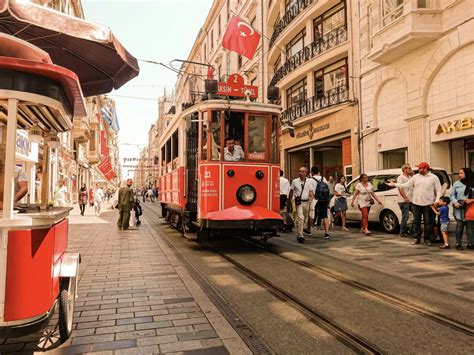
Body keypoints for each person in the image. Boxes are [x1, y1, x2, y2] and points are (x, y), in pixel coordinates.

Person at [387, 162, 442, 246]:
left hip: (428, 203)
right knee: (416, 221)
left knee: (428, 222)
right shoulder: (415, 177)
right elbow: (406, 184)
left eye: (420, 168)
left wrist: (437, 200)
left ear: (425, 168)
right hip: (416, 203)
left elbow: (439, 190)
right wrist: (394, 184)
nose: (418, 170)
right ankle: (417, 238)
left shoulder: (434, 178)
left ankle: (427, 239)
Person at [287, 166, 315, 243]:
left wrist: (312, 198)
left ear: (306, 173)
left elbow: (311, 191)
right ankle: (300, 235)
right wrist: (289, 202)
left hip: (307, 202)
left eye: (302, 172)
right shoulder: (295, 181)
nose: (300, 173)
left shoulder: (309, 181)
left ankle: (299, 230)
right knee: (301, 218)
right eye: (299, 171)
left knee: (305, 219)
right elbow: (291, 191)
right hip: (298, 202)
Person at [451, 168, 473, 250]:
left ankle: (471, 243)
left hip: (470, 208)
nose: (459, 175)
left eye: (462, 173)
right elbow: (452, 195)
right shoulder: (456, 183)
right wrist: (455, 202)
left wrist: (471, 200)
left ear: (467, 174)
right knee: (459, 226)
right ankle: (458, 243)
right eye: (459, 173)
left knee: (470, 227)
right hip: (459, 208)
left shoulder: (472, 183)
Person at [309, 166, 331, 239]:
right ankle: (327, 233)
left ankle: (309, 229)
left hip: (315, 199)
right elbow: (327, 189)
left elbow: (310, 191)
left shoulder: (310, 180)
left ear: (311, 172)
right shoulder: (323, 178)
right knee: (325, 215)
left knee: (311, 214)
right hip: (323, 199)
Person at [397, 164, 414, 238]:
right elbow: (400, 188)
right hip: (404, 201)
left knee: (416, 215)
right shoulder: (401, 177)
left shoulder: (410, 177)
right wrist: (405, 197)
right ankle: (402, 232)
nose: (410, 169)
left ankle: (411, 231)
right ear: (404, 169)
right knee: (405, 217)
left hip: (411, 200)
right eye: (409, 168)